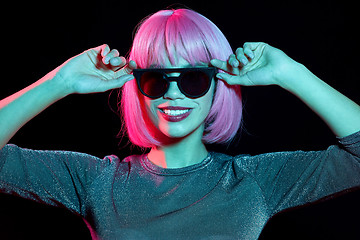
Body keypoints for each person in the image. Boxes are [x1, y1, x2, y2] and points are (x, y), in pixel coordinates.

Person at [1, 7, 360, 240]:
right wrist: (60, 81)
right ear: (137, 88)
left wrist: (291, 74)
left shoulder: (253, 181)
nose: (173, 94)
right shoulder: (97, 181)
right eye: (156, 79)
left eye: (192, 78)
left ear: (219, 83)